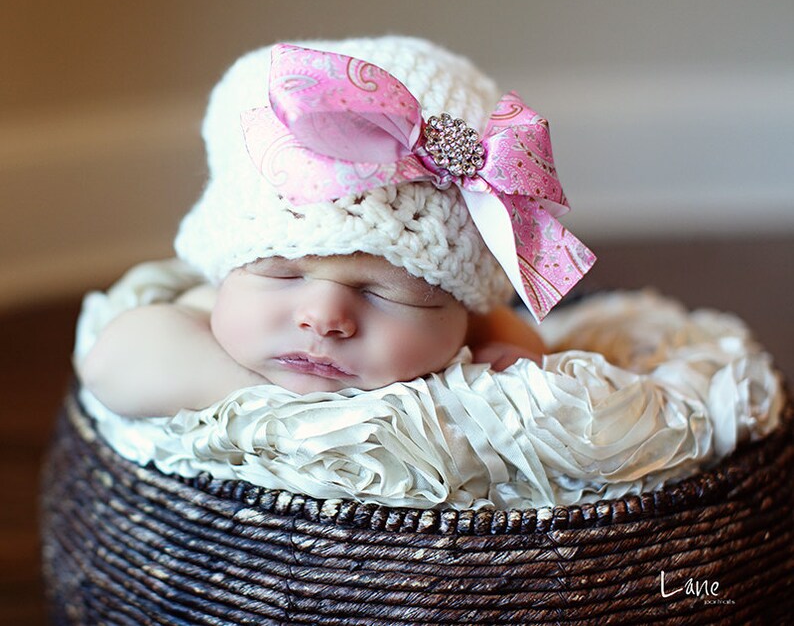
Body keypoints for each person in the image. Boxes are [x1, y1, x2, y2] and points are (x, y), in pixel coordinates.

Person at [78, 36, 594, 418]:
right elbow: (111, 364)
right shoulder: (200, 314)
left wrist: (508, 363)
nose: (324, 316)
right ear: (226, 271)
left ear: (460, 312)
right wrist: (286, 412)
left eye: (388, 294)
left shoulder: (469, 329)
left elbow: (518, 345)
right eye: (284, 273)